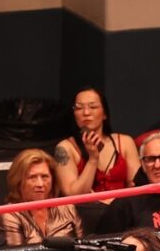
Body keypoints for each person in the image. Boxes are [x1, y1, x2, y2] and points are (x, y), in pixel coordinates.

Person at [54, 87, 141, 234]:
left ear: (105, 113)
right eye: (79, 108)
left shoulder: (124, 142)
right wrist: (93, 159)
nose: (86, 113)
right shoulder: (64, 148)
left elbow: (137, 185)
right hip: (86, 219)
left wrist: (114, 202)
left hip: (123, 215)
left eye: (93, 107)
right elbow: (73, 196)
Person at [96, 132, 160, 234]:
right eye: (150, 159)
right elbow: (101, 242)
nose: (157, 165)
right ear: (143, 165)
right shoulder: (125, 203)